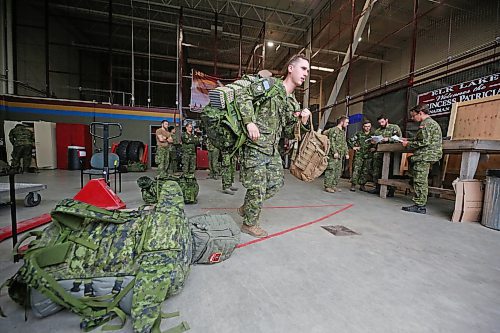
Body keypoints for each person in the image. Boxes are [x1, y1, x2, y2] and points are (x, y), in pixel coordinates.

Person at [237, 53, 311, 238]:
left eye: (308, 71)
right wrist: (249, 122)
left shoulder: (293, 102)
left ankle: (247, 207)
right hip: (255, 145)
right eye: (303, 69)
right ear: (291, 68)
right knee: (258, 187)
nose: (306, 74)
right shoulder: (270, 85)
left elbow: (287, 132)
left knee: (276, 183)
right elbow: (243, 95)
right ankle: (249, 224)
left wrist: (300, 122)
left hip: (271, 149)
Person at [401, 104, 443, 214]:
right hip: (428, 155)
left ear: (420, 113)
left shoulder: (426, 124)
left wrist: (408, 144)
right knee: (420, 178)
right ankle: (420, 203)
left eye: (413, 116)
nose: (412, 118)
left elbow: (424, 142)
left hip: (425, 155)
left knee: (420, 180)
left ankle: (420, 205)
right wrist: (408, 139)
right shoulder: (431, 123)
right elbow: (421, 138)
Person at [368, 115, 402, 196]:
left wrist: (388, 139)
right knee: (377, 171)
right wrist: (373, 144)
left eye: (382, 122)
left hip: (391, 153)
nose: (381, 124)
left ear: (387, 120)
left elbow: (399, 138)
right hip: (379, 154)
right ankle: (377, 187)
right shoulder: (378, 131)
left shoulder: (394, 127)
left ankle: (391, 190)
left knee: (389, 172)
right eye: (379, 123)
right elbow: (376, 141)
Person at [323, 116, 349, 193]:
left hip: (340, 155)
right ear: (342, 122)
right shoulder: (334, 130)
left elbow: (344, 143)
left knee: (338, 170)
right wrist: (334, 152)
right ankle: (328, 186)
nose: (348, 124)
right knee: (331, 169)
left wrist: (346, 153)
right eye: (347, 122)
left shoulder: (342, 131)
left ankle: (334, 185)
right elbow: (332, 141)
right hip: (333, 154)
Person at [348, 120, 373, 192]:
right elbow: (350, 140)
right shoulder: (359, 134)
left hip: (368, 155)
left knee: (365, 171)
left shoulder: (372, 135)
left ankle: (362, 185)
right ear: (363, 127)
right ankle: (353, 184)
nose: (367, 128)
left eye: (368, 126)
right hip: (359, 154)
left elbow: (376, 144)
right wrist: (353, 147)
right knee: (356, 169)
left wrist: (374, 147)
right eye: (366, 126)